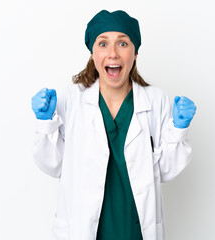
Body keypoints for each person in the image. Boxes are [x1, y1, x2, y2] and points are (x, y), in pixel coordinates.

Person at [31, 10, 196, 240]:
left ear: (135, 52)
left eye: (122, 43)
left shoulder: (155, 101)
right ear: (92, 53)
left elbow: (165, 171)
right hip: (82, 230)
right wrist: (46, 124)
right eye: (103, 43)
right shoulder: (71, 101)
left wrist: (178, 130)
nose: (113, 53)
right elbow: (54, 165)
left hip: (136, 231)